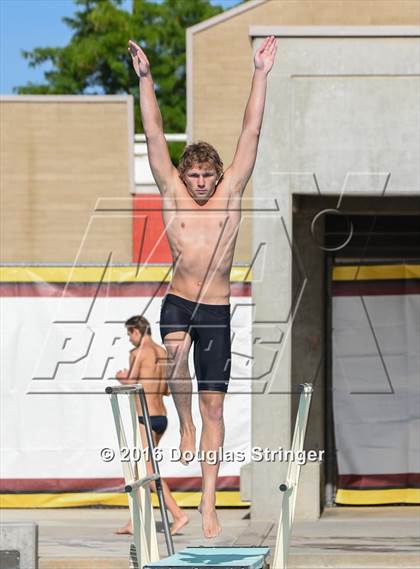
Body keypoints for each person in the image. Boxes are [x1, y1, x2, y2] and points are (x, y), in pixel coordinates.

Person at [128, 35, 278, 538]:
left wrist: (260, 73)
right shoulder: (171, 191)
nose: (197, 182)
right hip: (179, 300)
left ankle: (209, 503)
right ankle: (184, 422)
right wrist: (146, 80)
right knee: (172, 359)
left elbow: (250, 131)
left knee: (217, 406)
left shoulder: (231, 191)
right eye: (191, 173)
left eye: (205, 174)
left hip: (217, 307)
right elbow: (153, 134)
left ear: (218, 176)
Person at [114, 315, 189, 536]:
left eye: (130, 333)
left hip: (145, 418)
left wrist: (121, 377)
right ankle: (133, 521)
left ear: (138, 331)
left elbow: (131, 382)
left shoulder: (138, 353)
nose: (129, 339)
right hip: (161, 418)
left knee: (148, 471)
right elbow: (166, 389)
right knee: (140, 471)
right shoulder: (161, 352)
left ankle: (178, 515)